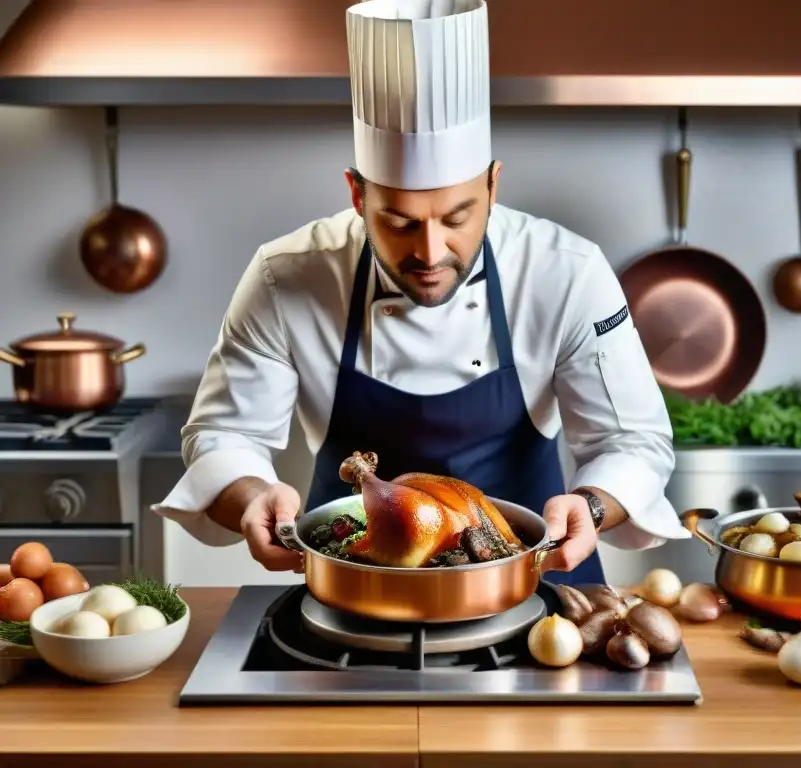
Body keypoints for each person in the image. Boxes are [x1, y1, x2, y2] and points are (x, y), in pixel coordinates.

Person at [152, 0, 687, 587]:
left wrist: (590, 504)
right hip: (355, 589)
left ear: (493, 184)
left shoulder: (567, 272)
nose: (430, 253)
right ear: (358, 196)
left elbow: (632, 439)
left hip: (538, 587)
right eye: (401, 223)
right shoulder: (286, 276)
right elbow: (226, 436)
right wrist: (249, 496)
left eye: (458, 217)